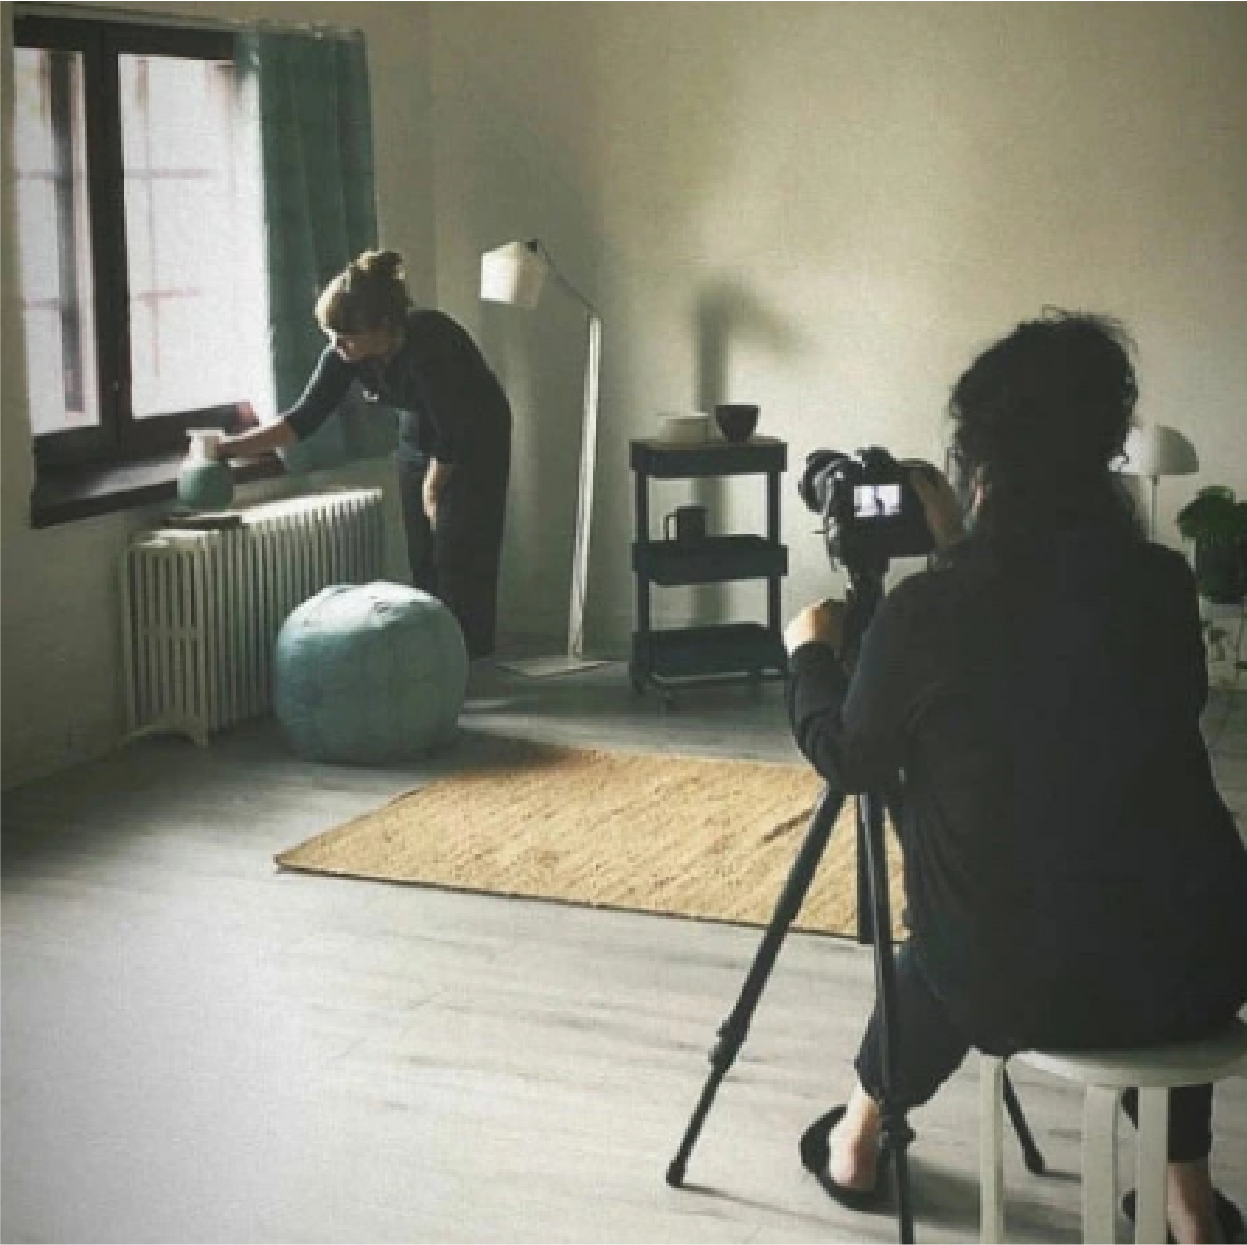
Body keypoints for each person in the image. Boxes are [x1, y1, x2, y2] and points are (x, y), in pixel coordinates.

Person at [784, 311, 1247, 1245]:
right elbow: (1062, 671)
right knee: (1140, 872)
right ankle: (1188, 1205)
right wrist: (960, 543)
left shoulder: (926, 612)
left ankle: (857, 1142)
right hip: (1205, 960)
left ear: (978, 460)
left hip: (1012, 981)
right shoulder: (1160, 585)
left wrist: (810, 656)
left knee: (960, 930)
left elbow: (853, 758)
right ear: (1103, 452)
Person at [213, 249, 513, 660]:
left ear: (384, 327)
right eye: (331, 336)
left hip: (477, 435)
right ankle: (434, 657)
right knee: (423, 553)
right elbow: (302, 419)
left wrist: (433, 487)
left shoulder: (432, 341)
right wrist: (228, 449)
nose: (337, 345)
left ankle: (471, 657)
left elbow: (454, 431)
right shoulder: (346, 353)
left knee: (459, 553)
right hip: (420, 431)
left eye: (347, 337)